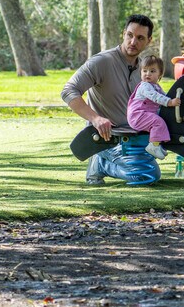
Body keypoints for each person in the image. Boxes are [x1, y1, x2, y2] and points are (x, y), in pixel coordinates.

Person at [61, 14, 160, 185]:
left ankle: (118, 163)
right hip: (107, 139)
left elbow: (154, 103)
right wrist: (95, 118)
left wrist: (181, 112)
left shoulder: (145, 69)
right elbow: (69, 90)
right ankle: (100, 163)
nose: (133, 42)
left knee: (153, 174)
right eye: (130, 35)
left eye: (140, 38)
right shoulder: (102, 62)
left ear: (149, 40)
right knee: (143, 176)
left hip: (136, 140)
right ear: (124, 33)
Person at [127, 55, 181, 159]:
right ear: (141, 72)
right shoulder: (145, 86)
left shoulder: (156, 87)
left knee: (160, 121)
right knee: (158, 122)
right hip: (138, 115)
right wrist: (169, 102)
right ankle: (153, 145)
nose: (148, 74)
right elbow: (155, 97)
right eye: (145, 71)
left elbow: (164, 96)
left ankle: (158, 145)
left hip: (144, 115)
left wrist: (173, 100)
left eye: (152, 71)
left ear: (160, 74)